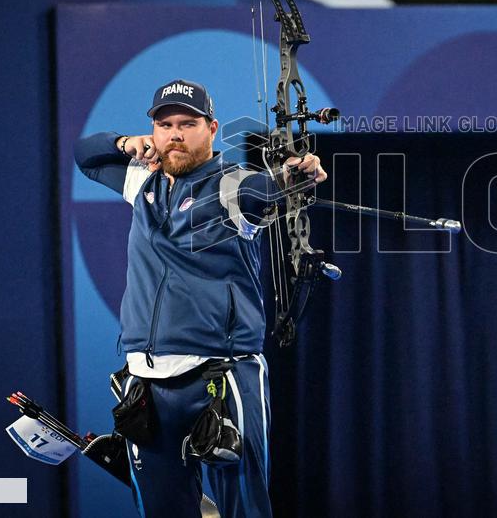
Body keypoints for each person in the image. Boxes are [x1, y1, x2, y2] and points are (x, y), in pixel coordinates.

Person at [74, 79, 326, 517]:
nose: (175, 133)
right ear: (152, 131)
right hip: (146, 384)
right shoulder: (143, 182)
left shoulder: (231, 187)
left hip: (220, 377)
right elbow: (86, 156)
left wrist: (293, 175)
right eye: (165, 124)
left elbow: (262, 192)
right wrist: (124, 142)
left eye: (188, 123)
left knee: (242, 509)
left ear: (211, 128)